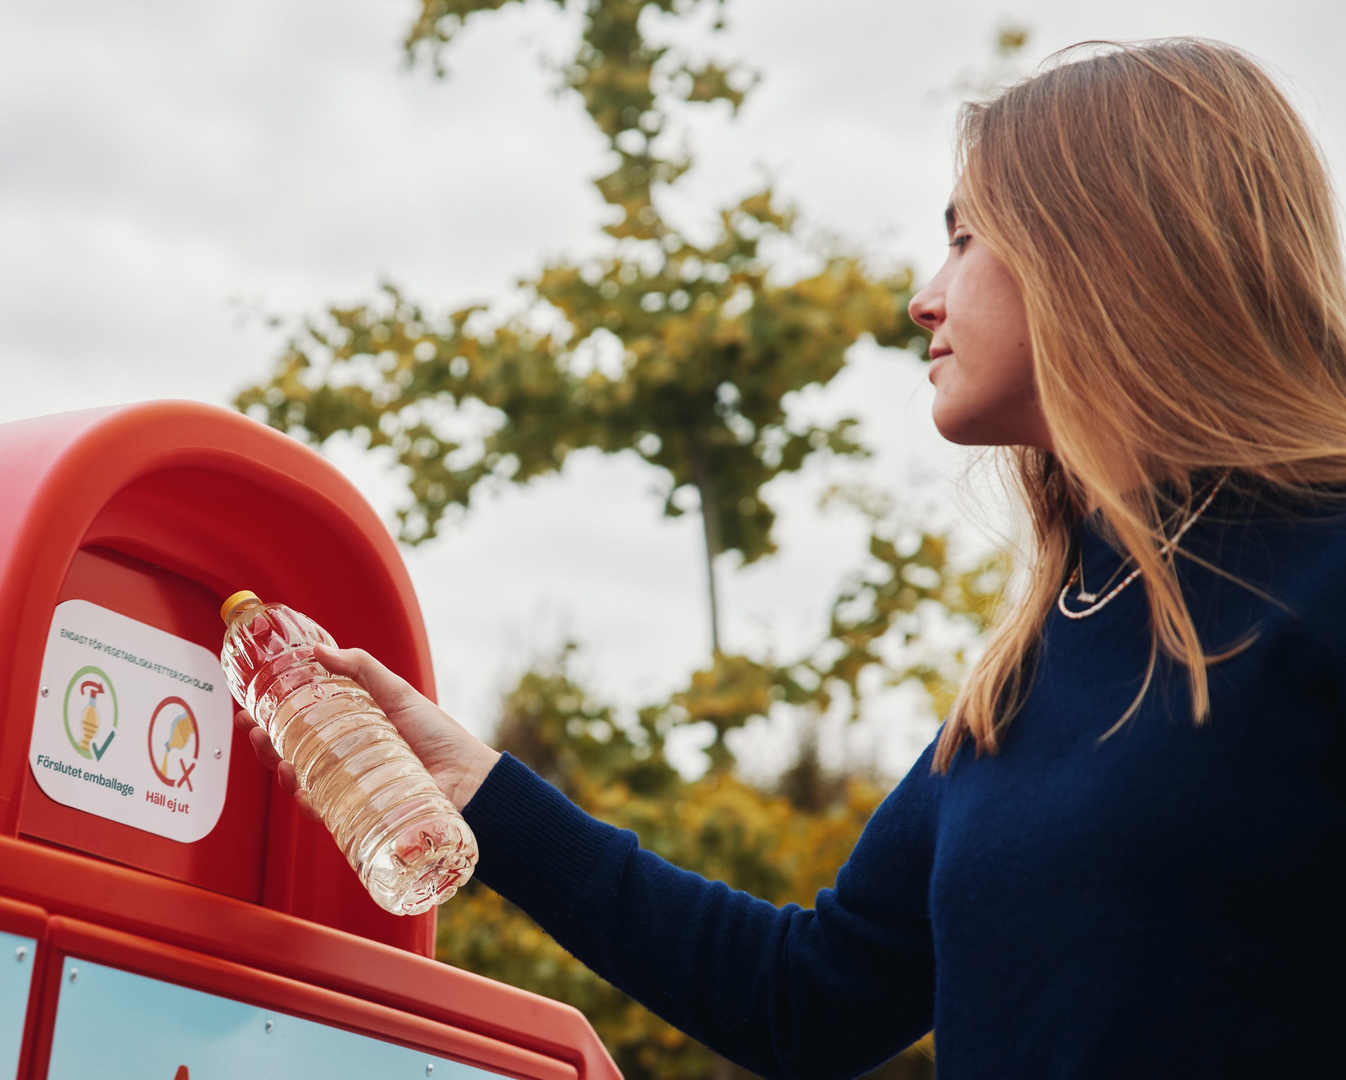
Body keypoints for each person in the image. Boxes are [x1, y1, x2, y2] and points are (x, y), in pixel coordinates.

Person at [236, 38, 1345, 1079]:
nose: (924, 297)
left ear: (1105, 251)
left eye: (965, 239)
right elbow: (803, 1001)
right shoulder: (1044, 654)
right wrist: (476, 788)